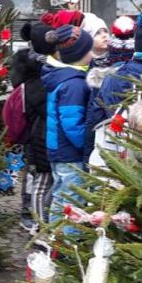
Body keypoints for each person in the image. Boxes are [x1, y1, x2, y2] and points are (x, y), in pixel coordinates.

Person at [41, 25, 95, 224]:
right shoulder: (74, 84)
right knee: (73, 198)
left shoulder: (63, 77)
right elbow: (72, 123)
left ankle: (55, 237)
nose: (92, 53)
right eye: (89, 50)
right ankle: (66, 241)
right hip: (70, 152)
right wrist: (86, 147)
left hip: (58, 149)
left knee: (60, 195)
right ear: (79, 54)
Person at [13, 22, 55, 232]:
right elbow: (37, 102)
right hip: (34, 130)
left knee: (37, 173)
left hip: (41, 129)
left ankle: (34, 213)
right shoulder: (30, 71)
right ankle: (29, 213)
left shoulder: (44, 68)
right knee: (35, 173)